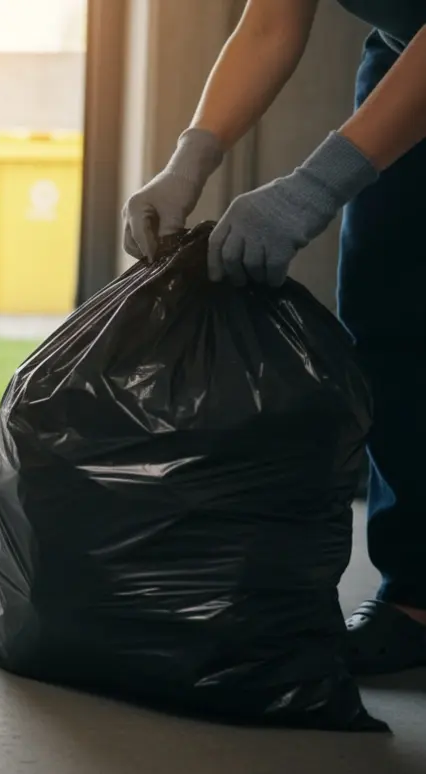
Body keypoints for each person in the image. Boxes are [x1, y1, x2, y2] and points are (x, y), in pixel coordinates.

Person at [122, 0, 426, 675]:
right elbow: (270, 25)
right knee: (388, 319)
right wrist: (189, 158)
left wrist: (311, 189)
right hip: (408, 58)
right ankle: (420, 597)